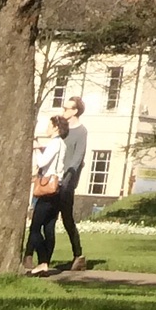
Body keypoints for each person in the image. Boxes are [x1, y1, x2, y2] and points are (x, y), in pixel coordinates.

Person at [25, 112, 69, 275]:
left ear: (56, 127)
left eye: (49, 125)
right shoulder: (62, 144)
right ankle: (46, 262)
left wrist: (36, 150)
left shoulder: (54, 143)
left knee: (35, 228)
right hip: (58, 190)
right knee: (49, 227)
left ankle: (43, 261)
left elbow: (42, 162)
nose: (47, 128)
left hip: (47, 190)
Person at [57, 97, 91, 273]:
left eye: (67, 108)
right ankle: (34, 257)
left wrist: (68, 176)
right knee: (43, 217)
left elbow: (78, 157)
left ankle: (78, 255)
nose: (64, 111)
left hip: (67, 180)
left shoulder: (81, 132)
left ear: (75, 111)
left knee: (67, 218)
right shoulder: (61, 128)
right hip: (53, 178)